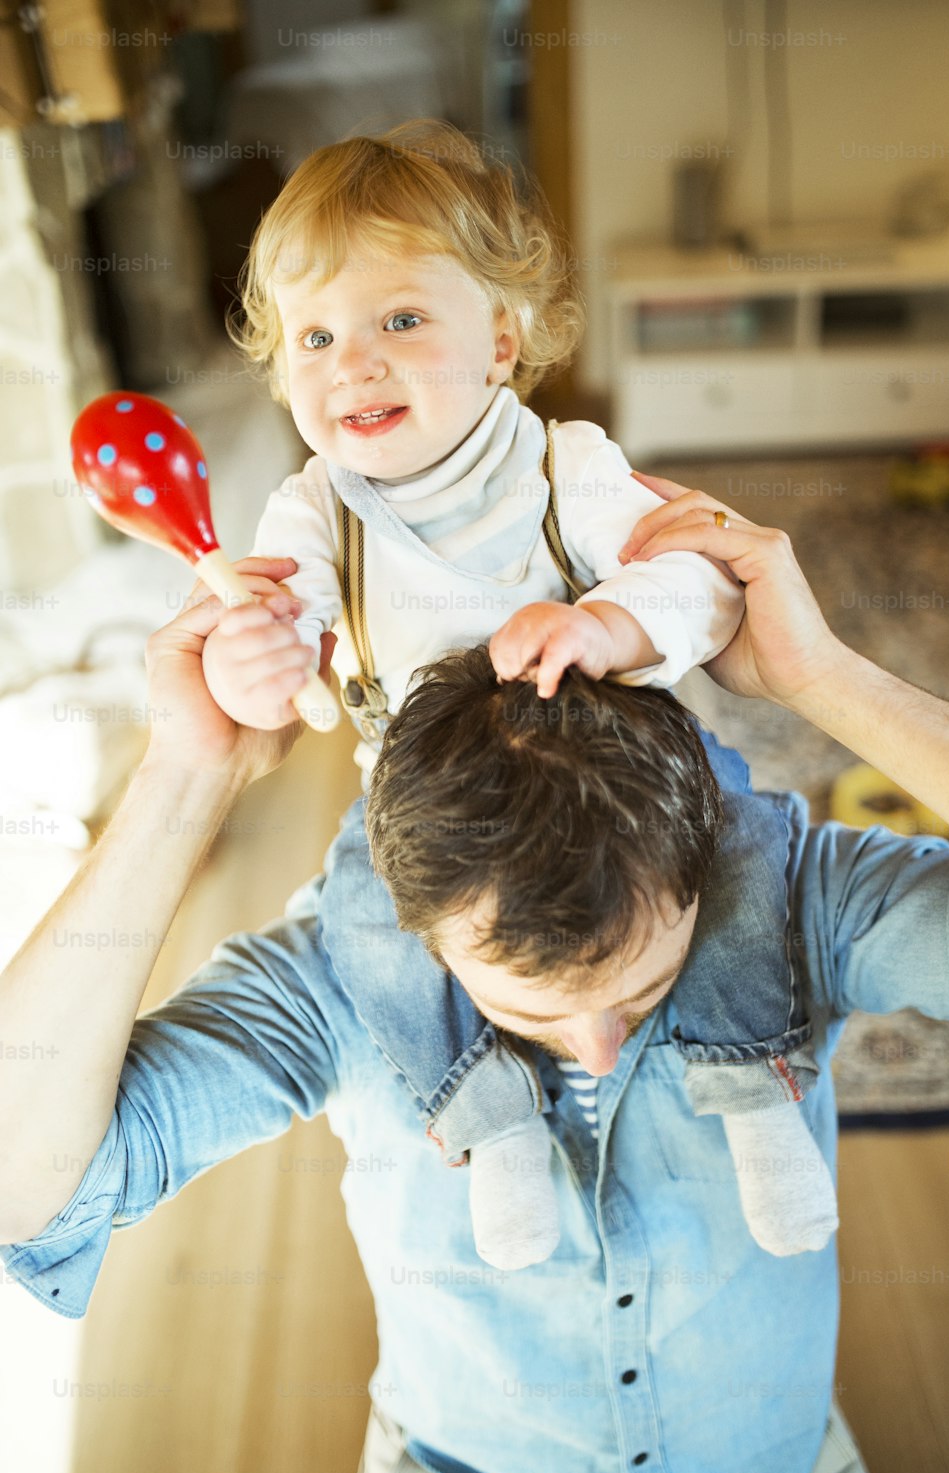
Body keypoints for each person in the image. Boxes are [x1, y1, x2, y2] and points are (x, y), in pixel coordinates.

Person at [1, 486, 949, 1473]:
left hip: (781, 1471)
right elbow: (18, 1182)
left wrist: (823, 678)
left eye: (645, 984)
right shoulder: (340, 965)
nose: (598, 1048)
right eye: (526, 1009)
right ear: (412, 920)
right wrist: (186, 775)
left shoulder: (791, 893)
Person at [199, 117, 834, 1268]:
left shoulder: (563, 465)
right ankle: (488, 1119)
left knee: (745, 838)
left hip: (615, 783)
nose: (355, 360)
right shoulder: (309, 516)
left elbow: (698, 576)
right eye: (317, 335)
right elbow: (279, 642)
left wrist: (603, 618)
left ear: (498, 339)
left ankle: (752, 1083)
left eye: (401, 320)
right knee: (357, 917)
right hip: (439, 818)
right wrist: (257, 660)